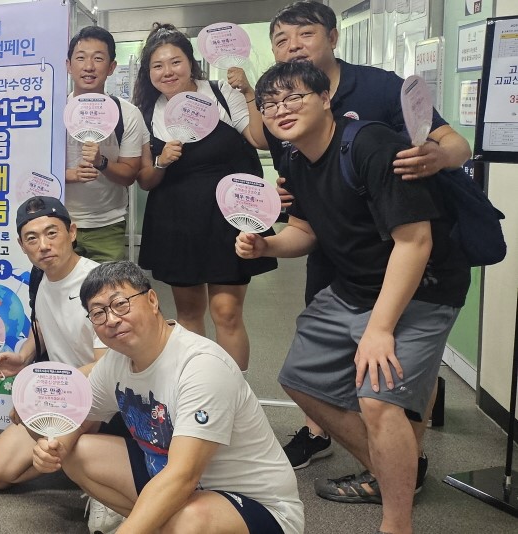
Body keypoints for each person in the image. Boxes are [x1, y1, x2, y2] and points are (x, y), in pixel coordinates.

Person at [239, 61, 468, 534]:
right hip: (354, 286)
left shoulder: (371, 146)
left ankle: (396, 522)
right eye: (270, 103)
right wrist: (267, 246)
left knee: (378, 400)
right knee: (300, 378)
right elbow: (305, 231)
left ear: (326, 99)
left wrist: (379, 330)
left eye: (294, 97)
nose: (281, 110)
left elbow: (415, 243)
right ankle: (396, 470)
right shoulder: (294, 159)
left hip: (422, 289)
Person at [32, 261, 304, 534]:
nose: (111, 319)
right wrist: (56, 447)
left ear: (152, 300)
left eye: (120, 304)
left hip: (258, 506)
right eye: (98, 313)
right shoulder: (115, 362)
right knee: (77, 453)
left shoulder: (201, 365)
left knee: (188, 520)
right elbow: (80, 418)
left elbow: (183, 476)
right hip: (179, 484)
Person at [132, 23, 275, 372]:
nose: (167, 72)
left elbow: (260, 139)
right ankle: (198, 387)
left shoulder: (221, 92)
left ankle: (235, 392)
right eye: (158, 65)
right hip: (176, 221)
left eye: (175, 62)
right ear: (148, 72)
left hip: (228, 217)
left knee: (227, 312)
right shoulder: (148, 111)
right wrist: (162, 161)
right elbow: (146, 181)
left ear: (191, 63)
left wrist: (250, 92)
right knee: (188, 313)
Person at [0, 196, 124, 533]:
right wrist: (24, 356)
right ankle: (77, 463)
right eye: (32, 238)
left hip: (101, 398)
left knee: (53, 449)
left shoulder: (99, 284)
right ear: (22, 245)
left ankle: (101, 485)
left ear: (72, 232)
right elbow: (41, 324)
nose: (43, 245)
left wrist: (38, 394)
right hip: (59, 393)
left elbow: (106, 367)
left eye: (52, 233)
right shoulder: (38, 277)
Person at [63, 26, 147, 262]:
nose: (89, 66)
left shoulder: (128, 114)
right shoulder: (51, 110)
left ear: (111, 67)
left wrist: (102, 162)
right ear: (68, 65)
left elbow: (129, 175)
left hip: (108, 224)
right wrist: (69, 175)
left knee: (109, 286)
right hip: (58, 221)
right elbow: (32, 168)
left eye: (98, 58)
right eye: (81, 58)